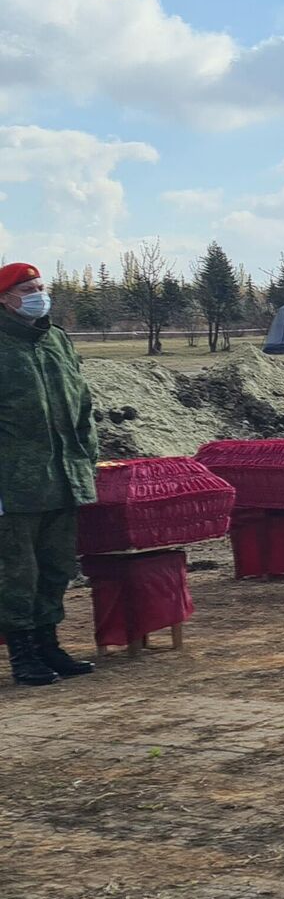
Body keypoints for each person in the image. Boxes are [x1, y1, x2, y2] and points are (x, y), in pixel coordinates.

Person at [1, 262, 99, 687]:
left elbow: (82, 406)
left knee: (56, 566)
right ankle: (22, 654)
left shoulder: (56, 340)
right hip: (14, 485)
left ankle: (48, 643)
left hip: (63, 477)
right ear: (6, 298)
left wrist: (85, 458)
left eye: (42, 286)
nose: (40, 294)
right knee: (17, 571)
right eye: (29, 288)